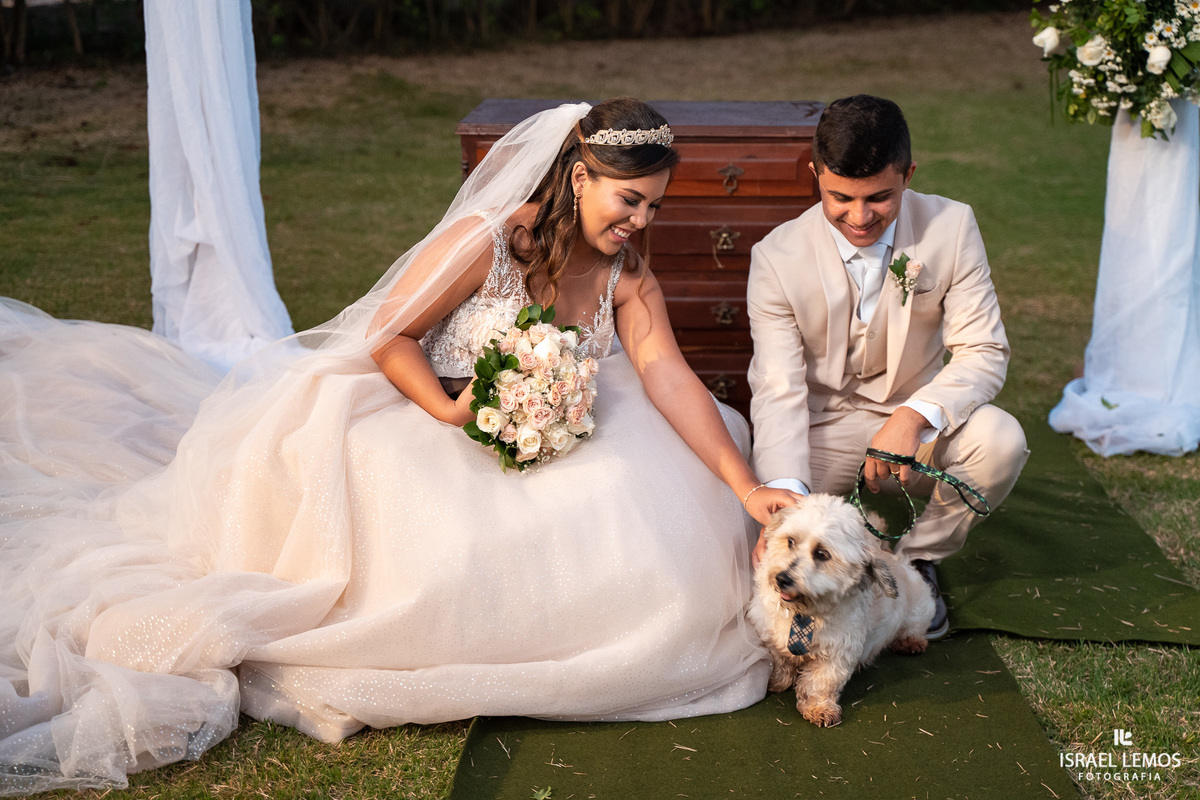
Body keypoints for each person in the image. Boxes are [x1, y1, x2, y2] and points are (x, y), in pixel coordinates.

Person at [0, 98, 802, 794]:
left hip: (546, 416)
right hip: (425, 404)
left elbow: (669, 379)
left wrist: (741, 486)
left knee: (637, 495)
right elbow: (392, 335)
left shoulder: (628, 276)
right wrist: (453, 411)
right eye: (630, 199)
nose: (640, 221)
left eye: (655, 206)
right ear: (580, 177)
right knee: (428, 529)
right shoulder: (487, 242)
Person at [746, 94, 1029, 640]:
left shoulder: (952, 226)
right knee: (753, 554)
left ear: (909, 175)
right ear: (815, 176)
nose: (859, 217)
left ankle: (919, 561)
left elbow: (984, 351)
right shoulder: (776, 257)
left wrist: (912, 417)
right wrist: (784, 503)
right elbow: (777, 387)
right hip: (821, 427)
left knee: (1002, 440)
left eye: (879, 198)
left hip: (915, 430)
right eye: (840, 198)